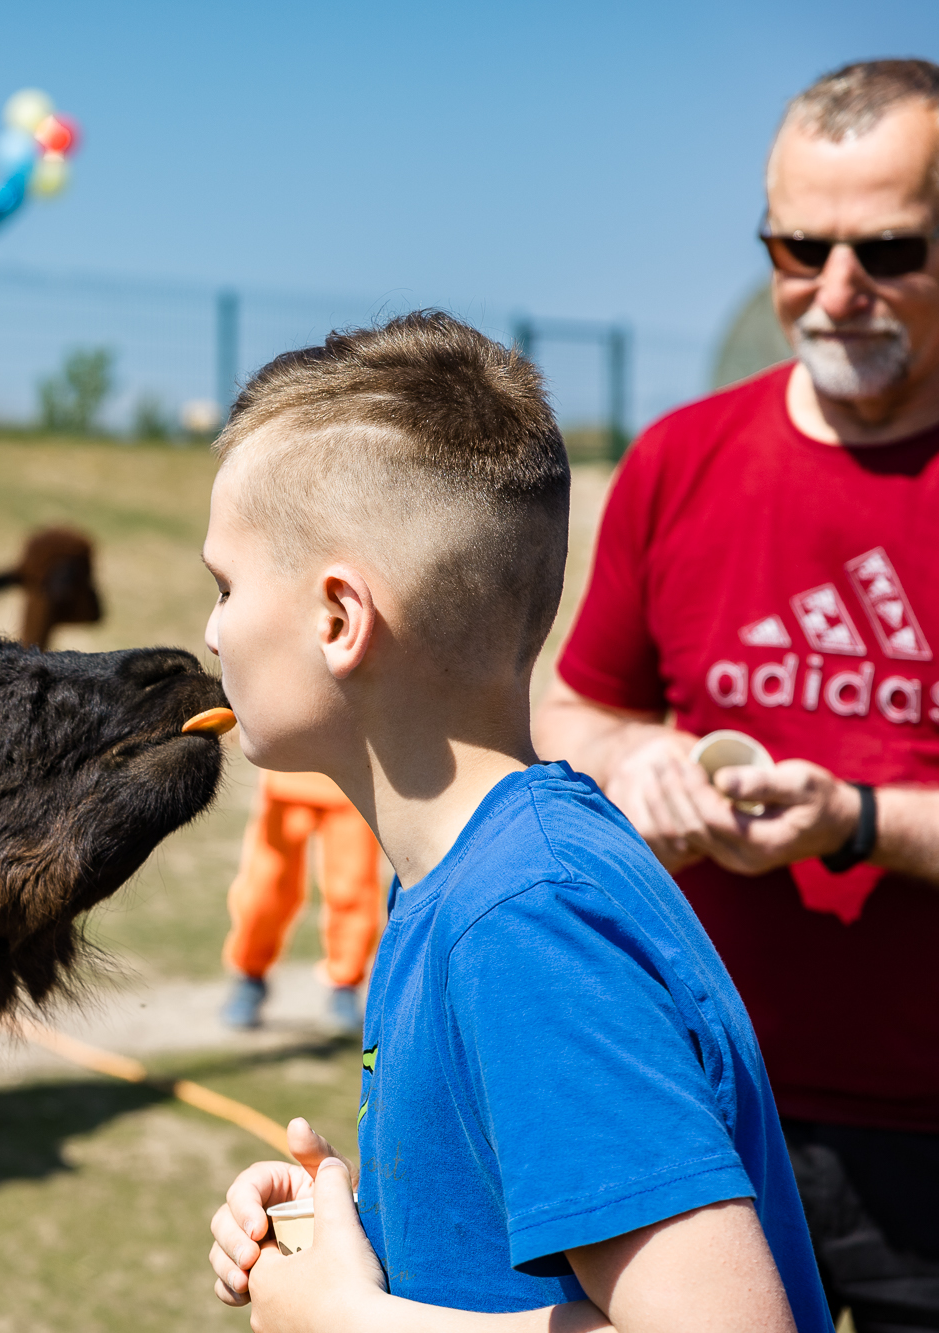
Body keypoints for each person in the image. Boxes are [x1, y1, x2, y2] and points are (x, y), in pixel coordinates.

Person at [199, 312, 831, 1332]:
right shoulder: (473, 879)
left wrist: (347, 1320)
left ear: (337, 619)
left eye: (225, 586)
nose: (211, 630)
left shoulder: (526, 921)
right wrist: (350, 1237)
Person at [536, 59, 939, 1332]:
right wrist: (634, 760)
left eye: (887, 249)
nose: (834, 289)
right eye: (797, 246)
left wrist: (854, 820)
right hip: (698, 1103)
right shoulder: (680, 458)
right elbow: (571, 709)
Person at [218, 769, 381, 1034]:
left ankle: (345, 985)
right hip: (287, 774)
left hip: (355, 779)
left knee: (353, 888)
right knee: (266, 887)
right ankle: (250, 975)